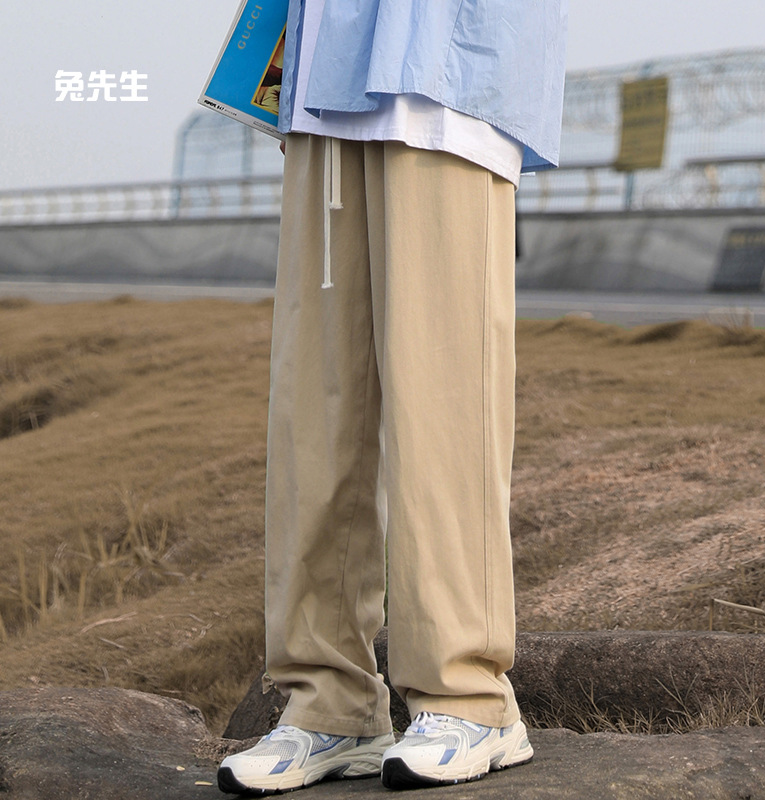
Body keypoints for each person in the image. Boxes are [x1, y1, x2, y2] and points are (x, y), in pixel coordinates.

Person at [217, 0, 567, 793]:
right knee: (315, 406)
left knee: (443, 398)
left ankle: (469, 696)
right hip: (323, 75)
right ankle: (328, 704)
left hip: (447, 71)